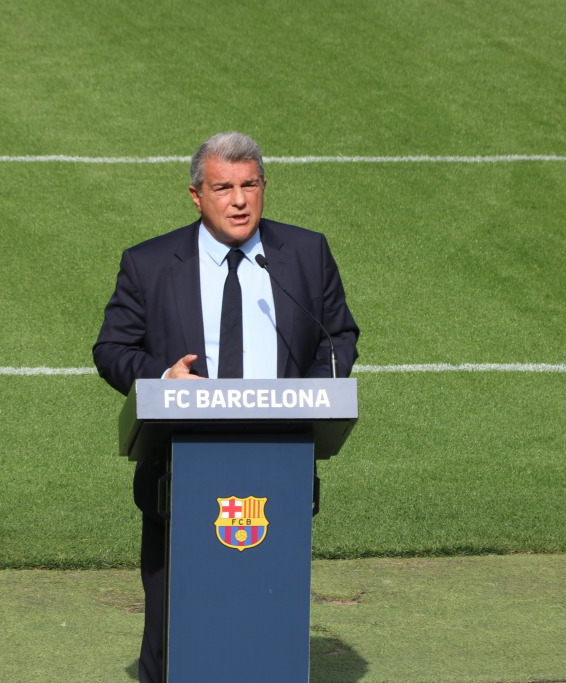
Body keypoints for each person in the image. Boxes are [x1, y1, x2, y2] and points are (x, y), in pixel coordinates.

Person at [93, 131, 359, 683]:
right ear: (196, 195)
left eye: (249, 185)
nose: (239, 201)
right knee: (173, 631)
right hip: (177, 475)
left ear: (264, 187)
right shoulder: (148, 263)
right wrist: (162, 379)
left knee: (267, 616)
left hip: (279, 473)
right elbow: (112, 347)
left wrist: (307, 398)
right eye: (223, 188)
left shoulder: (306, 254)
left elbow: (338, 336)